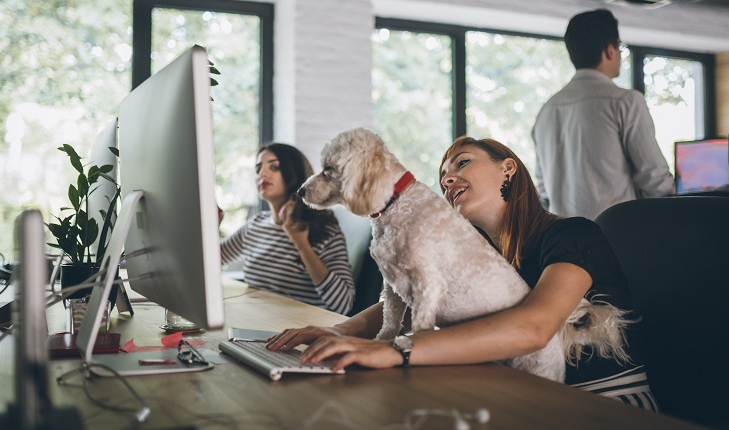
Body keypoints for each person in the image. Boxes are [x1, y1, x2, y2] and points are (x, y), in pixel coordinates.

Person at [266, 136, 659, 411]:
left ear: (508, 170)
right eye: (442, 175)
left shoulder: (572, 235)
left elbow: (534, 329)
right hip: (516, 393)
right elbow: (404, 294)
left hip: (601, 402)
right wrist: (342, 332)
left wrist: (396, 350)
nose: (447, 178)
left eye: (463, 162)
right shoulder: (478, 251)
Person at [532, 9, 674, 220]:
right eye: (620, 47)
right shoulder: (624, 101)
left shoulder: (545, 111)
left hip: (562, 242)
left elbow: (543, 190)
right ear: (610, 49)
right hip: (617, 240)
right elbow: (654, 179)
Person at [220, 143, 355, 315]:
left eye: (274, 167)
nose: (262, 173)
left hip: (298, 330)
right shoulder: (256, 225)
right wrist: (212, 226)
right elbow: (210, 261)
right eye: (258, 169)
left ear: (294, 174)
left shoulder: (324, 229)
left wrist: (302, 245)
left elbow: (343, 305)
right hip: (255, 321)